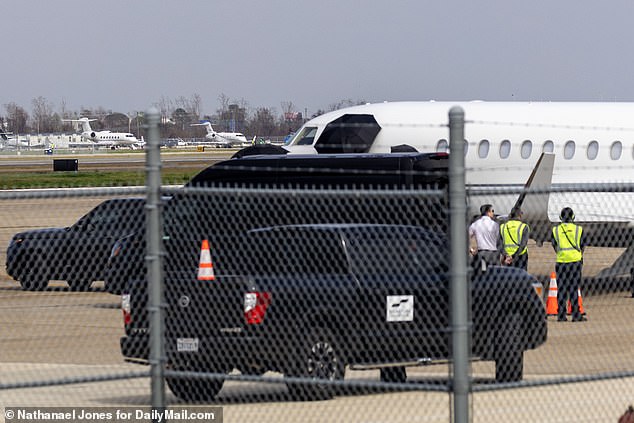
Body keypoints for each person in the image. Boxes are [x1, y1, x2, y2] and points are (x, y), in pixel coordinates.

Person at [551, 207, 586, 322]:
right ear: (573, 217)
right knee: (573, 289)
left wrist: (561, 253)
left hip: (561, 262)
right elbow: (582, 245)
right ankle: (576, 315)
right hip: (575, 262)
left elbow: (554, 244)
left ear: (560, 217)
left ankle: (561, 315)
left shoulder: (555, 230)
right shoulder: (579, 229)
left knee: (561, 290)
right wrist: (578, 255)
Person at [468, 204, 501, 268]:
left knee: (482, 273)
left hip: (481, 253)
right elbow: (499, 239)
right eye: (492, 211)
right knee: (495, 273)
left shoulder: (475, 224)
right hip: (493, 253)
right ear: (488, 212)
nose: (493, 213)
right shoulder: (495, 225)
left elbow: (466, 237)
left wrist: (471, 249)